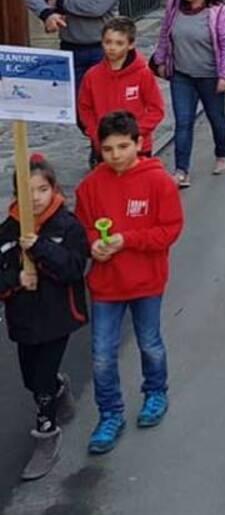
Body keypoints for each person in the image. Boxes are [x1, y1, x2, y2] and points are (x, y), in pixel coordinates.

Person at [75, 110, 185, 455]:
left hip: (146, 281)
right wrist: (94, 244)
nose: (116, 155)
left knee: (149, 342)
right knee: (102, 356)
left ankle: (155, 392)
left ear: (139, 143)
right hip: (106, 283)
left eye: (123, 146)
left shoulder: (159, 182)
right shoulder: (90, 186)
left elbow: (169, 230)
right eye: (108, 149)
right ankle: (110, 413)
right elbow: (82, 228)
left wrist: (126, 240)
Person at [0, 155, 88, 480]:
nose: (35, 197)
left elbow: (74, 267)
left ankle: (46, 435)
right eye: (27, 191)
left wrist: (39, 249)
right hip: (24, 321)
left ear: (54, 189)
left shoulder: (67, 227)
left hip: (57, 317)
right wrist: (16, 280)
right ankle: (59, 390)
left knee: (41, 384)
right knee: (31, 379)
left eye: (42, 189)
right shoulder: (7, 231)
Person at [152, 0, 225, 188]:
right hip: (182, 75)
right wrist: (160, 61)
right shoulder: (174, 5)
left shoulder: (217, 10)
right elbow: (165, 34)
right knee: (183, 122)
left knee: (216, 118)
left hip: (210, 75)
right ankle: (182, 170)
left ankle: (222, 153)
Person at [78, 17, 165, 164]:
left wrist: (135, 133)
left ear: (130, 45)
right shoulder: (92, 75)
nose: (112, 48)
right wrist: (96, 133)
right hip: (106, 146)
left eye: (119, 43)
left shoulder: (143, 73)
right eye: (108, 42)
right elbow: (85, 108)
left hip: (138, 147)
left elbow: (156, 109)